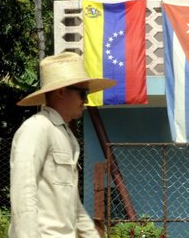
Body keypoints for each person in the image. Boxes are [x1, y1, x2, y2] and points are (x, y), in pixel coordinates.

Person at [9, 52, 116, 238]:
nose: (86, 100)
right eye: (83, 93)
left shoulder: (64, 135)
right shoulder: (37, 128)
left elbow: (71, 202)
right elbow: (23, 191)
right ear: (61, 92)